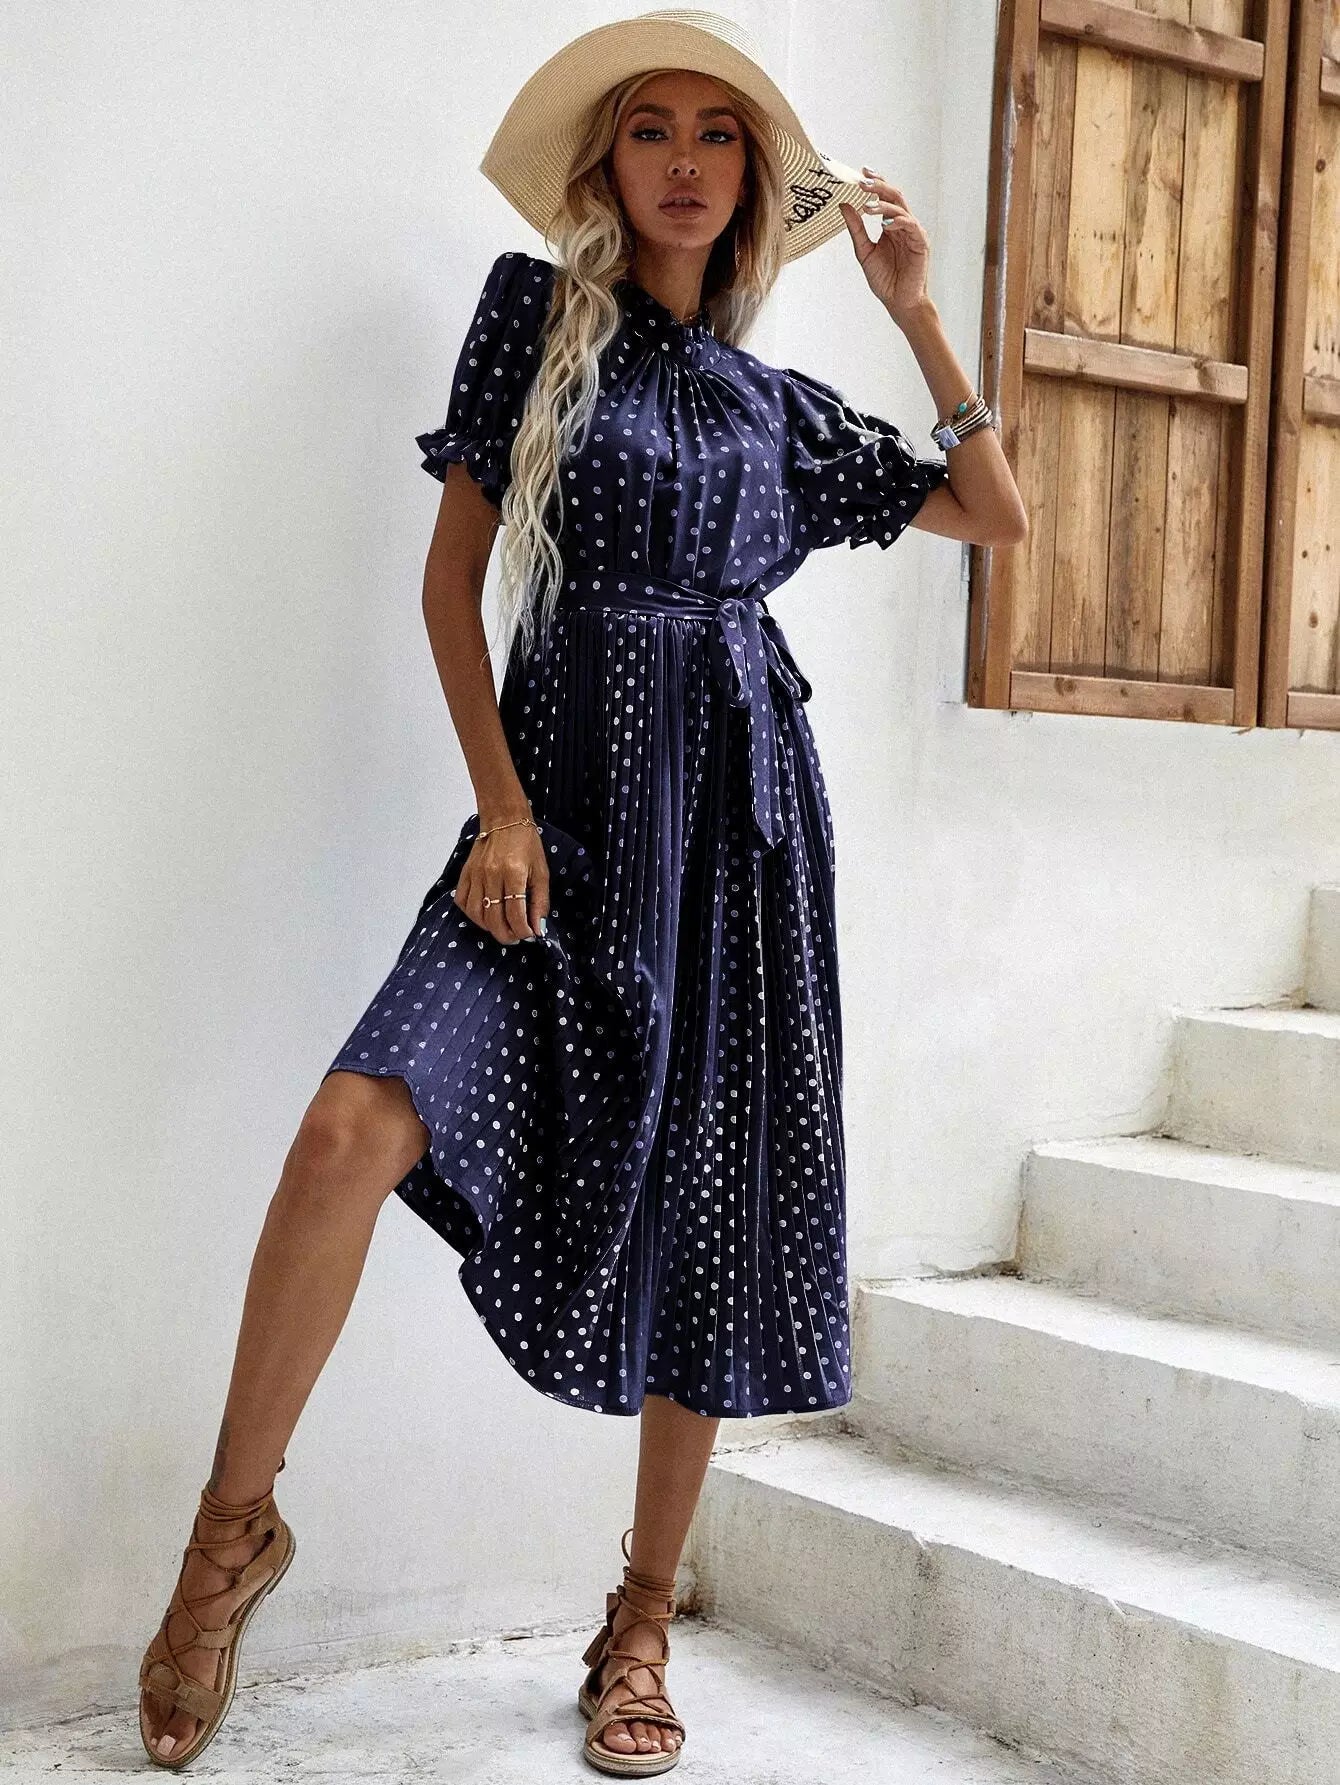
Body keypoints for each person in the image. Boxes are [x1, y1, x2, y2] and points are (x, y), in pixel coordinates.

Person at [136, 7, 1025, 1777]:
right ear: (608, 167)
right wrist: (500, 808)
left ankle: (639, 1622)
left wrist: (917, 308)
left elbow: (993, 511)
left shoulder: (780, 412)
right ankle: (229, 1538)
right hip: (550, 825)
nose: (685, 159)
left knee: (712, 1207)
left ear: (755, 184)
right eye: (651, 129)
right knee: (348, 1129)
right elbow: (451, 583)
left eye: (718, 134)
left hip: (739, 841)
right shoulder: (534, 321)